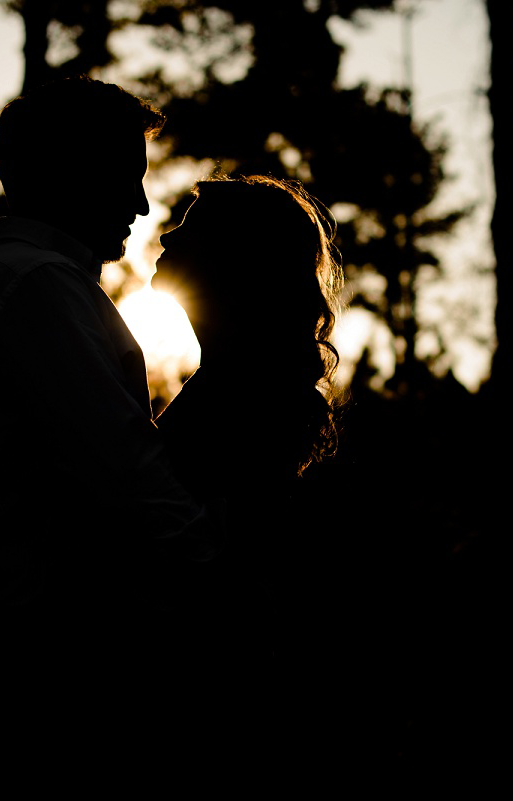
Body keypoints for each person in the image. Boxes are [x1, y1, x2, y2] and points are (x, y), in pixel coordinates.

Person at [0, 76, 216, 787]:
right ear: (70, 173)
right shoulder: (37, 286)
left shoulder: (18, 281)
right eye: (124, 178)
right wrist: (225, 582)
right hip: (27, 672)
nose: (141, 206)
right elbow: (126, 479)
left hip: (8, 661)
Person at [149, 175, 344, 778]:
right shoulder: (230, 386)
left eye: (190, 226)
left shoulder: (248, 400)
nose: (166, 233)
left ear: (235, 258)